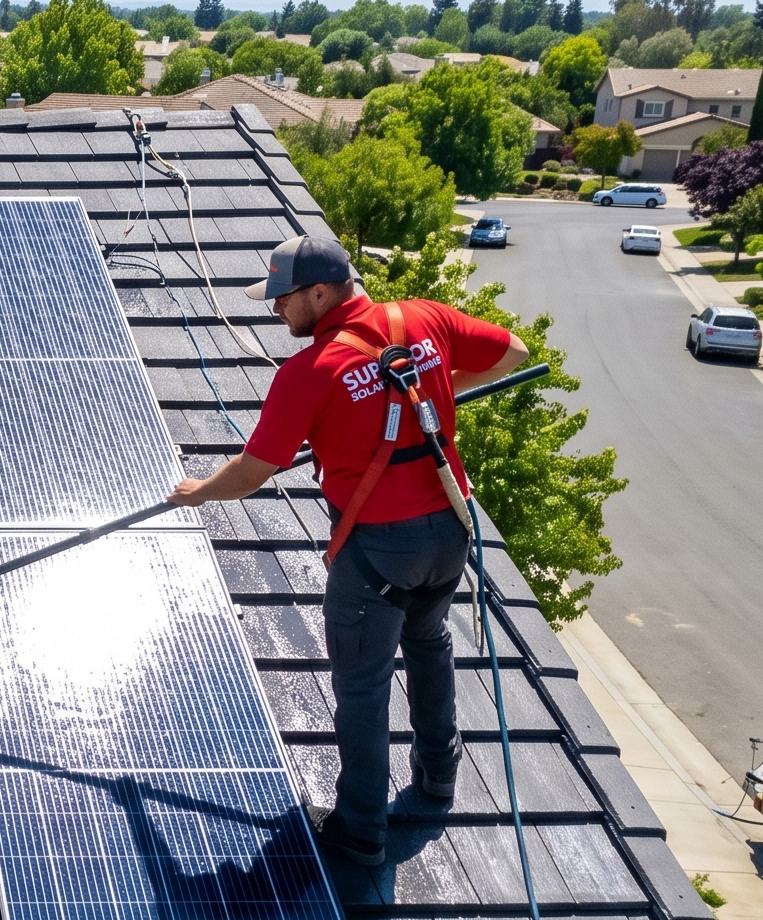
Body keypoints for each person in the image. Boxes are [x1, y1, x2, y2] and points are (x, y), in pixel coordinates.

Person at [167, 237, 527, 868]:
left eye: (283, 298)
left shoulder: (311, 373)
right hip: (449, 532)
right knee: (429, 642)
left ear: (320, 293)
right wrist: (431, 397)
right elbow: (516, 351)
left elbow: (256, 469)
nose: (276, 310)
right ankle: (439, 780)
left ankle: (360, 832)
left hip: (377, 553)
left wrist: (200, 494)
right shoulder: (424, 319)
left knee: (362, 688)